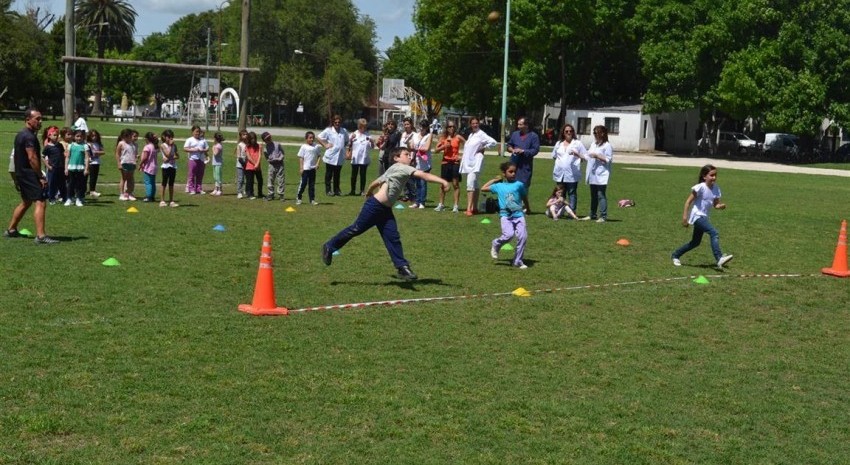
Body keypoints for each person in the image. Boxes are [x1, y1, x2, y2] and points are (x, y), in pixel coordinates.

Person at [321, 147, 449, 281]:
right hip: (375, 207)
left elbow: (377, 182)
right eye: (406, 154)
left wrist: (370, 191)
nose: (410, 157)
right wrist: (443, 181)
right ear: (396, 158)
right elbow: (423, 175)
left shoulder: (392, 169)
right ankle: (329, 246)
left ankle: (402, 268)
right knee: (356, 229)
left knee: (393, 237)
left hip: (384, 210)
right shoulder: (402, 167)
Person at [4, 109, 58, 243]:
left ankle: (11, 230)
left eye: (41, 119)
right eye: (37, 119)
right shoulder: (29, 137)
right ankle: (41, 236)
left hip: (21, 173)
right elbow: (32, 157)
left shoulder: (22, 134)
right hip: (28, 174)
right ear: (28, 119)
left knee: (26, 201)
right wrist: (40, 175)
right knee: (40, 201)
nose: (40, 122)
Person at [671, 164, 734, 268]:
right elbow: (688, 202)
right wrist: (685, 217)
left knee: (695, 242)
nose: (714, 177)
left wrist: (720, 206)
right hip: (697, 216)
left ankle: (675, 255)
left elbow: (715, 205)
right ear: (704, 176)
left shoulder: (716, 189)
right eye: (711, 175)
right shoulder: (700, 187)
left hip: (704, 217)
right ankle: (719, 258)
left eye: (715, 175)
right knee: (714, 233)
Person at [482, 161, 528, 269]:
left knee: (523, 236)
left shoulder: (519, 185)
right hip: (505, 215)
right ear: (504, 173)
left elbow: (524, 197)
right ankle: (496, 243)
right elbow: (483, 188)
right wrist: (494, 180)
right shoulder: (499, 186)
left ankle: (517, 261)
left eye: (514, 172)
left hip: (518, 214)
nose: (513, 174)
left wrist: (528, 208)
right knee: (508, 235)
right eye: (510, 172)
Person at [459, 117, 498, 216]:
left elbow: (493, 142)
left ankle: (469, 208)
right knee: (475, 184)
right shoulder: (472, 134)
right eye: (473, 123)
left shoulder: (481, 134)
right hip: (469, 162)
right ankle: (474, 207)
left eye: (476, 123)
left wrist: (483, 147)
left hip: (475, 163)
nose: (475, 125)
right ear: (470, 124)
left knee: (470, 183)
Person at [507, 116, 540, 212]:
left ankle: (524, 207)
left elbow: (535, 150)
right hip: (514, 163)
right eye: (518, 124)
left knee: (523, 186)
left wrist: (523, 151)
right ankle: (512, 205)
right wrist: (512, 149)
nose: (518, 126)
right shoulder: (515, 134)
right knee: (512, 185)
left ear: (526, 125)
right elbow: (509, 145)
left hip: (525, 165)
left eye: (520, 124)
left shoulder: (534, 136)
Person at [552, 123, 587, 214]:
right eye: (566, 131)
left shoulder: (577, 143)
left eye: (570, 131)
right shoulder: (558, 143)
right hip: (560, 173)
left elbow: (585, 156)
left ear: (573, 132)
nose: (569, 132)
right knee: (560, 193)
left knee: (572, 193)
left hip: (572, 173)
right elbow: (554, 156)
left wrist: (578, 155)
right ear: (563, 132)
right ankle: (560, 210)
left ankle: (572, 211)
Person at [581, 125, 613, 223]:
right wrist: (578, 155)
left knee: (600, 194)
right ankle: (592, 214)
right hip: (592, 173)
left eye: (596, 133)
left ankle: (603, 216)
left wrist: (597, 156)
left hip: (601, 174)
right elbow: (587, 155)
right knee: (593, 195)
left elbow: (608, 159)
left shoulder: (607, 145)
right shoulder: (593, 144)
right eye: (594, 133)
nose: (594, 135)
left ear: (602, 134)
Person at [434, 120, 465, 212]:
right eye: (449, 127)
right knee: (443, 184)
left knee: (455, 184)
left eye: (453, 127)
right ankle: (441, 204)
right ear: (446, 128)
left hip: (455, 162)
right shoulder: (443, 137)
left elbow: (468, 145)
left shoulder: (458, 137)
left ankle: (455, 206)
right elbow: (436, 150)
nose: (451, 128)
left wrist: (462, 156)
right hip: (445, 162)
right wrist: (444, 146)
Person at [317, 114, 348, 197]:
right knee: (329, 174)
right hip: (331, 156)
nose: (337, 124)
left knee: (337, 175)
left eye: (339, 122)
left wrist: (342, 148)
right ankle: (328, 190)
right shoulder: (328, 130)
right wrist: (325, 145)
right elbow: (319, 137)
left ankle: (337, 190)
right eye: (335, 122)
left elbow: (346, 141)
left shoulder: (344, 131)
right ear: (333, 123)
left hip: (340, 156)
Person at [347, 118, 373, 196]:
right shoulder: (353, 134)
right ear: (358, 126)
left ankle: (362, 190)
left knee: (363, 175)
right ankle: (352, 190)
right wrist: (351, 139)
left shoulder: (368, 135)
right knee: (353, 175)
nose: (363, 128)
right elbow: (348, 145)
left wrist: (371, 141)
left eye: (364, 127)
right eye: (361, 126)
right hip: (355, 158)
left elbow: (372, 146)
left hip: (364, 158)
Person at [64, 129, 90, 207]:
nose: (79, 138)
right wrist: (66, 168)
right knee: (70, 184)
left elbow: (86, 157)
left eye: (81, 136)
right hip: (71, 167)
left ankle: (78, 199)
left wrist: (86, 168)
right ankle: (69, 198)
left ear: (83, 137)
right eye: (77, 136)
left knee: (79, 184)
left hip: (80, 168)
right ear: (74, 137)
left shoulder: (85, 146)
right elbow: (67, 157)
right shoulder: (70, 145)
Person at [411, 119, 433, 208]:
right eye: (420, 126)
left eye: (424, 127)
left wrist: (417, 148)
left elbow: (426, 148)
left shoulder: (429, 136)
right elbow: (412, 146)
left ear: (427, 127)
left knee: (423, 182)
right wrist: (416, 148)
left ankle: (422, 202)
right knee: (417, 182)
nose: (421, 128)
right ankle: (417, 201)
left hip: (425, 162)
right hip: (416, 161)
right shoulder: (415, 135)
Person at [42, 126, 66, 204]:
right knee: (52, 184)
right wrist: (48, 166)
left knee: (62, 183)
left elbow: (63, 155)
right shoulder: (48, 147)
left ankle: (64, 197)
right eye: (54, 135)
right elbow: (42, 157)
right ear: (49, 136)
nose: (56, 137)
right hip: (53, 168)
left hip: (61, 167)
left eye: (57, 135)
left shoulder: (60, 145)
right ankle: (51, 198)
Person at [296, 131, 321, 205]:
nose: (312, 139)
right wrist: (301, 168)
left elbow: (319, 155)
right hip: (305, 169)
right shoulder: (304, 147)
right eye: (310, 138)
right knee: (303, 184)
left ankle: (312, 200)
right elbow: (301, 157)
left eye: (313, 138)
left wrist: (317, 164)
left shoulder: (316, 146)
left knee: (312, 185)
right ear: (306, 138)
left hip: (312, 169)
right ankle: (299, 198)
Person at [183, 125, 208, 195]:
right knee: (191, 175)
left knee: (200, 175)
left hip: (201, 159)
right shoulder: (189, 140)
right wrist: (193, 150)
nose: (197, 133)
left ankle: (199, 188)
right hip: (193, 159)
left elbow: (207, 148)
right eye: (196, 131)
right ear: (192, 132)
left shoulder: (203, 140)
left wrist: (203, 150)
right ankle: (191, 188)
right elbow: (185, 148)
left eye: (199, 132)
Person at [261, 131, 285, 201]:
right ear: (264, 141)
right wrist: (269, 160)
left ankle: (281, 195)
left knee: (281, 180)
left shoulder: (277, 144)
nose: (268, 139)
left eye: (269, 137)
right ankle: (270, 194)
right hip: (272, 165)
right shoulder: (266, 148)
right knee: (270, 180)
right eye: (266, 139)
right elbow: (266, 157)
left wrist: (281, 158)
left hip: (280, 164)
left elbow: (283, 153)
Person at [115, 128, 138, 201]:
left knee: (130, 178)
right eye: (126, 136)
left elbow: (134, 153)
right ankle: (122, 194)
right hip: (124, 162)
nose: (128, 138)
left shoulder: (133, 144)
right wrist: (119, 163)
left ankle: (129, 193)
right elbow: (117, 154)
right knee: (124, 178)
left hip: (132, 163)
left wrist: (136, 158)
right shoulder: (121, 143)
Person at [159, 129, 180, 207]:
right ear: (165, 137)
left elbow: (177, 156)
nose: (170, 139)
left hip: (173, 166)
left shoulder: (174, 145)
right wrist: (171, 146)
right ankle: (162, 200)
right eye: (169, 137)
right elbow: (167, 154)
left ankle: (171, 200)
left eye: (172, 137)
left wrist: (173, 157)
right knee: (164, 183)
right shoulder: (162, 145)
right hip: (165, 166)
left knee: (171, 184)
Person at [139, 131, 159, 202]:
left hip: (148, 167)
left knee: (148, 182)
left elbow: (145, 157)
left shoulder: (147, 147)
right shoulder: (154, 146)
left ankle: (148, 196)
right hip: (154, 166)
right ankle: (152, 196)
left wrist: (140, 164)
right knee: (152, 182)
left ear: (147, 139)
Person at [243, 131, 263, 199]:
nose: (253, 140)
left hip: (257, 167)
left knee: (260, 180)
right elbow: (248, 157)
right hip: (250, 167)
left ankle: (260, 193)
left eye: (254, 138)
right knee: (250, 181)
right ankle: (250, 194)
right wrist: (255, 163)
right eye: (251, 139)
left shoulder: (259, 146)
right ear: (249, 139)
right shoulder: (247, 147)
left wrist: (257, 164)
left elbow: (260, 155)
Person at [86, 129, 104, 198]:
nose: (94, 137)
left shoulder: (98, 143)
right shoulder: (87, 144)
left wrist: (97, 152)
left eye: (95, 135)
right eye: (92, 136)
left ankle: (92, 190)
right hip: (89, 162)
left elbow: (102, 152)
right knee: (86, 177)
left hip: (96, 162)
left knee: (94, 177)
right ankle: (85, 190)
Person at [234, 129, 248, 199]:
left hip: (247, 163)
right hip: (240, 164)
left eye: (246, 134)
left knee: (247, 178)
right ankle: (239, 192)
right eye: (244, 134)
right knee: (241, 178)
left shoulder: (248, 144)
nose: (245, 135)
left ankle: (246, 190)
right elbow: (239, 156)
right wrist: (243, 163)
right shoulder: (240, 145)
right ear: (241, 136)